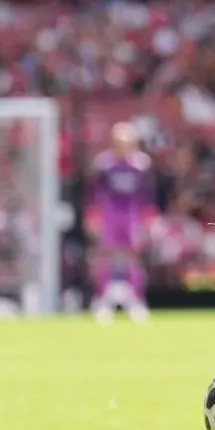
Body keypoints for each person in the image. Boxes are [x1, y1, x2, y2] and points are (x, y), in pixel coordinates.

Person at [88, 122, 154, 323]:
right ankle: (102, 299)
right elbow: (96, 193)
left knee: (133, 257)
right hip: (110, 214)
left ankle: (135, 299)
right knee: (106, 256)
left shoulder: (141, 165)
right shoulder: (105, 164)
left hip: (131, 215)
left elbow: (147, 195)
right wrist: (93, 216)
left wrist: (147, 220)